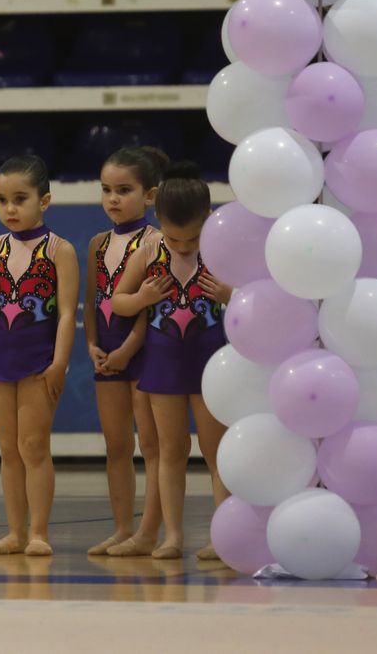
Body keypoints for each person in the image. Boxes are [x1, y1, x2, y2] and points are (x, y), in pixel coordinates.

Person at [109, 162, 232, 560]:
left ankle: (224, 534)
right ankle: (173, 535)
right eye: (175, 240)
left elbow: (257, 300)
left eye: (191, 239)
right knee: (171, 450)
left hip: (212, 363)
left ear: (209, 219)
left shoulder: (223, 250)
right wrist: (142, 299)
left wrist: (230, 294)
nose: (182, 247)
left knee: (217, 455)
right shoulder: (147, 250)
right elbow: (118, 302)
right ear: (159, 221)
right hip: (163, 362)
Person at [0, 155, 78, 557]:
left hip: (38, 361)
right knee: (9, 448)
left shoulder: (59, 250)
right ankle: (15, 532)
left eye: (19, 199)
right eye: (1, 200)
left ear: (43, 201)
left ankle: (39, 532)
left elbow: (67, 313)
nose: (9, 209)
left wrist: (59, 362)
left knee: (33, 445)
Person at [85, 147, 167, 558]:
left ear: (150, 195)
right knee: (116, 446)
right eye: (106, 190)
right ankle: (122, 529)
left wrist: (127, 349)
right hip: (107, 354)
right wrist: (92, 345)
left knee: (150, 447)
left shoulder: (155, 242)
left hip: (143, 352)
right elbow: (91, 300)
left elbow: (147, 308)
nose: (113, 199)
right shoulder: (98, 243)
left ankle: (148, 531)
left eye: (124, 190)